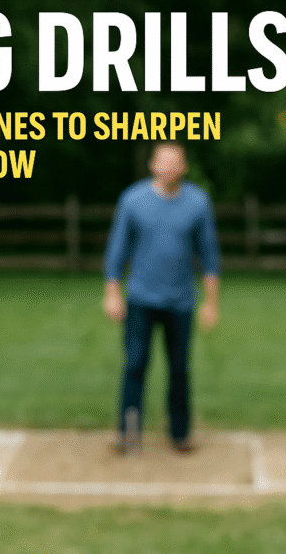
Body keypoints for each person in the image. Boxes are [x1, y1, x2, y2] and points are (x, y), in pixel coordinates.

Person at [102, 141, 221, 455]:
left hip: (181, 302)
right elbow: (117, 250)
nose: (169, 168)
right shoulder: (133, 201)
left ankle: (180, 435)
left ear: (183, 168)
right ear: (153, 165)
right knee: (135, 365)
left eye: (175, 163)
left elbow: (209, 256)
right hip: (141, 299)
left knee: (179, 368)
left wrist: (211, 302)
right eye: (163, 162)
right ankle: (128, 434)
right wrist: (113, 293)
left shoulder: (198, 203)